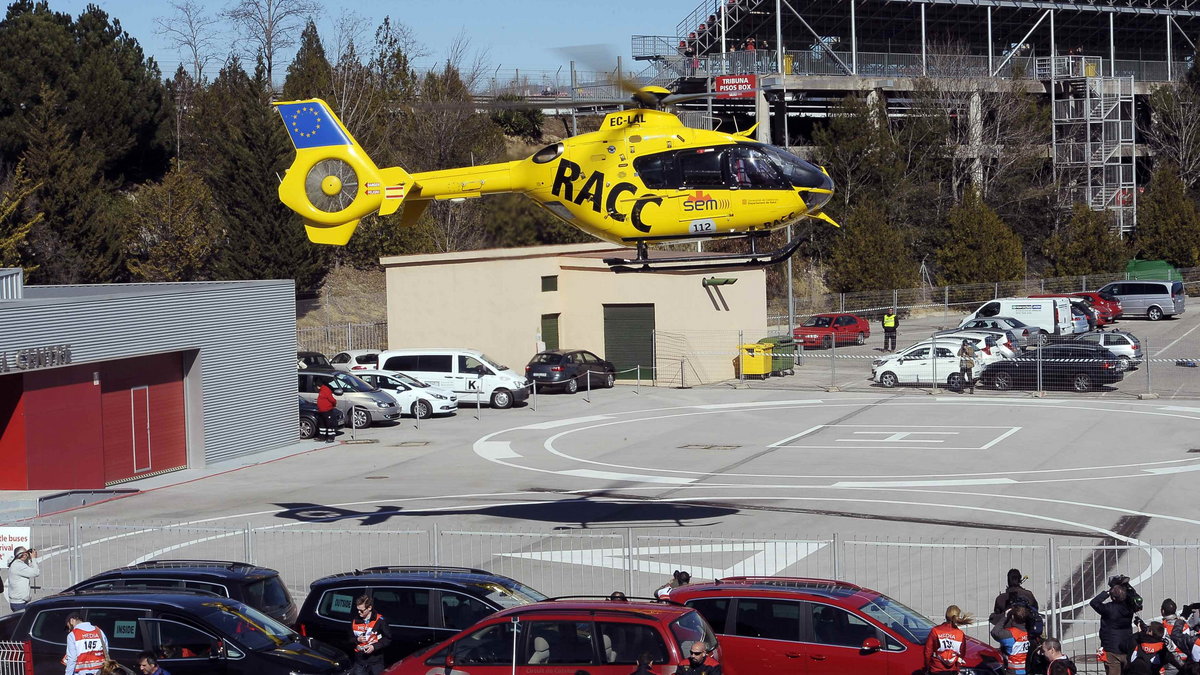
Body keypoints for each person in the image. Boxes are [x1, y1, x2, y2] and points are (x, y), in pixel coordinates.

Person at [1090, 577, 1139, 675]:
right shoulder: (1130, 608)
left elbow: (1094, 602)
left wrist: (1108, 592)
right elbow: (1136, 599)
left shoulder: (1108, 609)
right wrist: (1127, 587)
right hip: (1126, 647)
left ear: (1113, 597)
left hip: (1111, 648)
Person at [350, 594, 393, 675]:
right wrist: (357, 640)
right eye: (357, 610)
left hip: (376, 662)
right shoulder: (354, 620)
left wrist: (374, 647)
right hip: (360, 662)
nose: (359, 612)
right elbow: (349, 638)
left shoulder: (380, 620)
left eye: (362, 610)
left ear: (369, 608)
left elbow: (387, 639)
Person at [925, 605, 973, 673]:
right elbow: (962, 653)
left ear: (946, 616)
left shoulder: (935, 630)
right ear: (957, 617)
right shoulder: (960, 634)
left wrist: (927, 666)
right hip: (952, 669)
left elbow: (928, 651)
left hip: (936, 668)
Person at [65, 611, 109, 675]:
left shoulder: (73, 635)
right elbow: (106, 652)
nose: (69, 629)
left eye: (68, 626)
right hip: (99, 672)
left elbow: (72, 659)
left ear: (72, 621)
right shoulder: (99, 631)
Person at [991, 604, 1031, 675]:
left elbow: (995, 632)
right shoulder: (1031, 632)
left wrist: (1005, 617)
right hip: (1028, 670)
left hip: (1014, 671)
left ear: (1012, 617)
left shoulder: (1010, 634)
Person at [7, 545, 40, 611]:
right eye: (26, 553)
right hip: (19, 603)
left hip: (18, 602)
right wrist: (33, 558)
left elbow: (29, 569)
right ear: (22, 555)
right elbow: (36, 572)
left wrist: (31, 560)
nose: (27, 555)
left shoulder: (16, 564)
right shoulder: (18, 566)